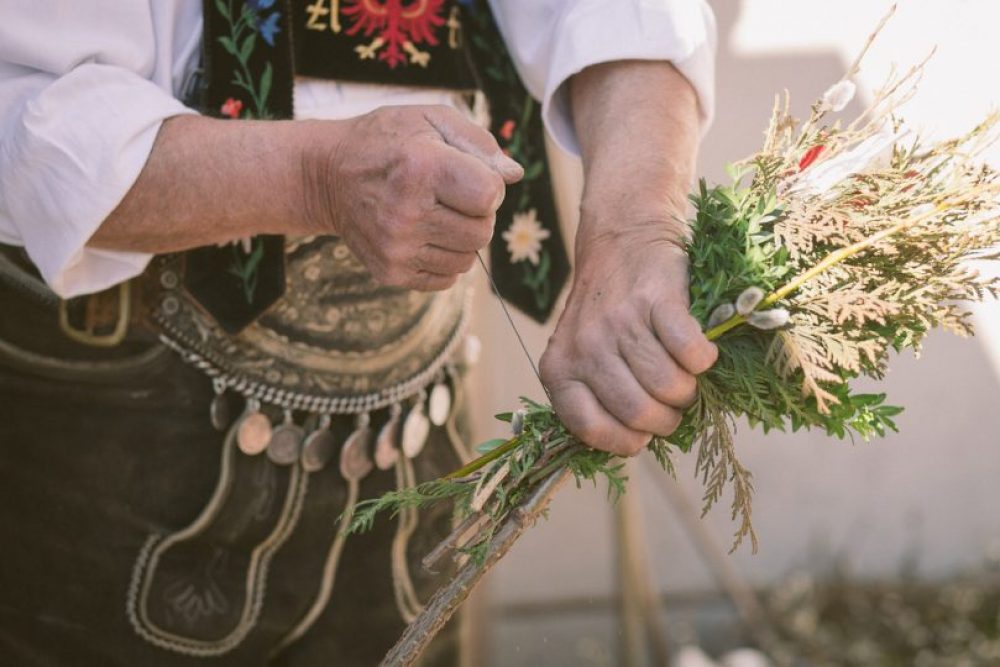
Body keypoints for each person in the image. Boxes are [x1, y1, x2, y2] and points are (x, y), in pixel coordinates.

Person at [0, 1, 718, 664]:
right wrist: (314, 179)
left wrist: (637, 222)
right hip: (122, 404)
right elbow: (26, 107)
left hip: (416, 401)